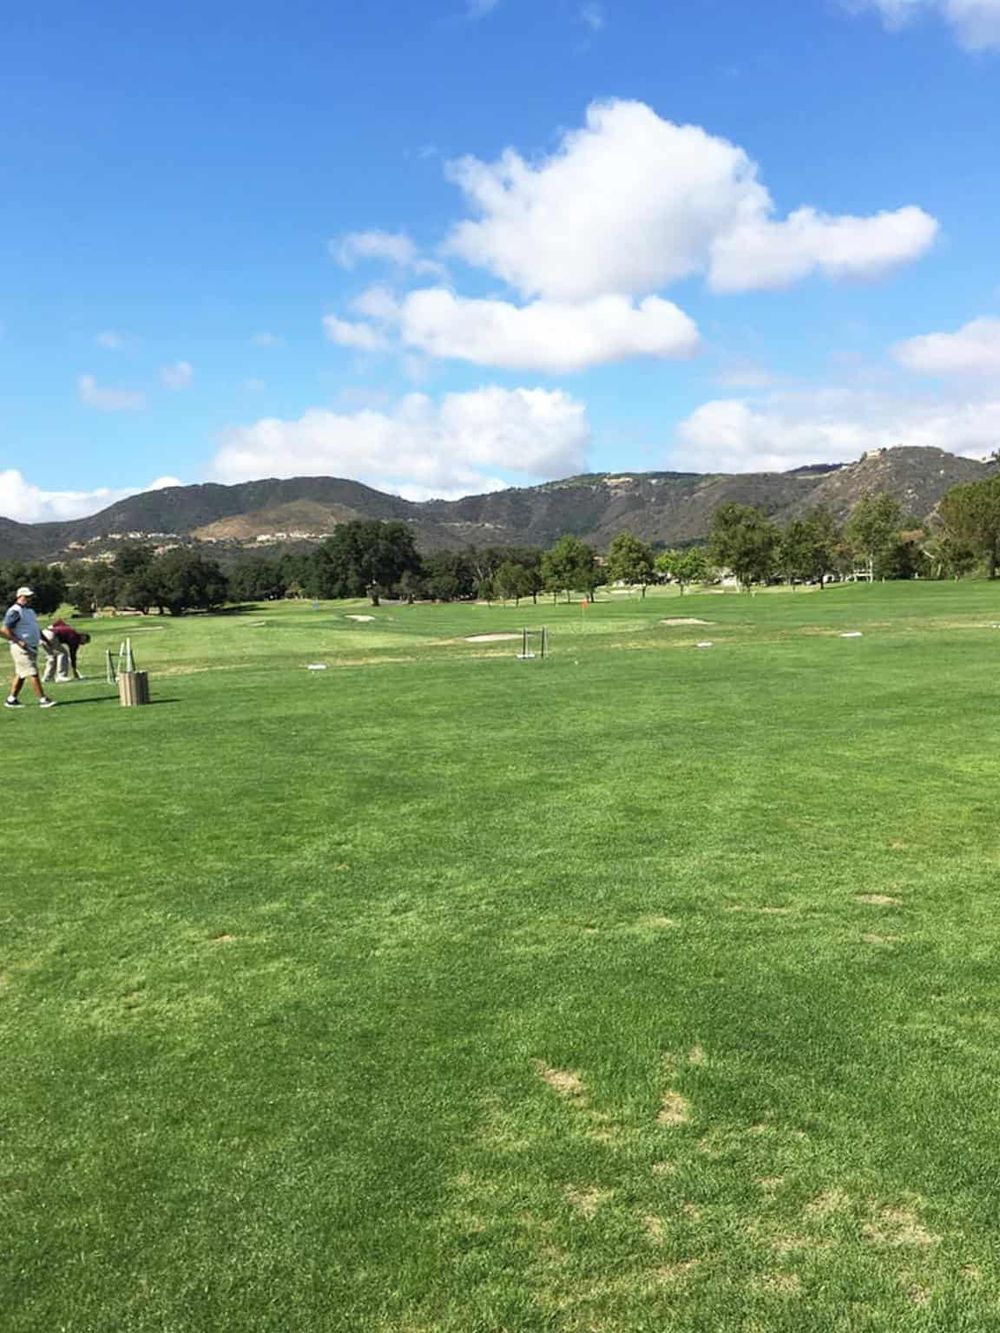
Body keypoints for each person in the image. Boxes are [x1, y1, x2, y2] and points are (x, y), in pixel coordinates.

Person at [2, 587, 57, 709]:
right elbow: (5, 630)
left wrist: (46, 640)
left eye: (30, 597)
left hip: (31, 646)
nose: (28, 599)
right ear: (19, 596)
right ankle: (43, 699)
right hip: (20, 648)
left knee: (21, 674)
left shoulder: (30, 612)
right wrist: (18, 641)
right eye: (26, 597)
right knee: (33, 672)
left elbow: (35, 628)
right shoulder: (14, 611)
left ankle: (11, 699)